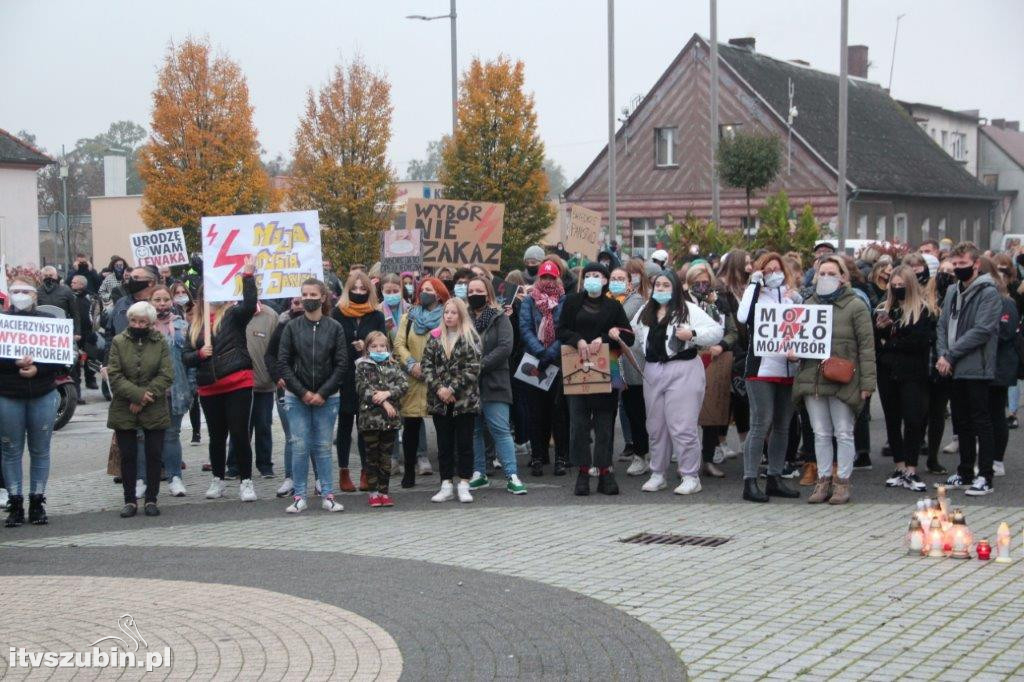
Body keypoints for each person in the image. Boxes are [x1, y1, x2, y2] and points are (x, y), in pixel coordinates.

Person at [793, 256, 877, 505]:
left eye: (832, 273)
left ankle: (842, 482)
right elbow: (798, 339)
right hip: (814, 378)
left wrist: (867, 384)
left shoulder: (856, 305)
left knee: (843, 432)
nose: (826, 277)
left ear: (843, 277)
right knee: (820, 433)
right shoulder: (808, 305)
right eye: (822, 273)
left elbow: (867, 347)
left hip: (843, 379)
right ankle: (823, 479)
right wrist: (793, 351)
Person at [633, 270, 722, 495]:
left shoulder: (688, 310)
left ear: (674, 288)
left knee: (682, 425)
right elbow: (632, 332)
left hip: (683, 369)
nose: (661, 290)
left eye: (666, 285)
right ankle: (658, 473)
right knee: (655, 425)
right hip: (653, 370)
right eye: (658, 286)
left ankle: (690, 475)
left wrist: (692, 334)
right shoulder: (646, 311)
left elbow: (716, 331)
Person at [182, 257, 259, 502]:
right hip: (209, 387)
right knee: (216, 436)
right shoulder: (196, 325)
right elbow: (185, 357)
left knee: (239, 433)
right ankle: (218, 479)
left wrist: (248, 276)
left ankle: (246, 481)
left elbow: (249, 304)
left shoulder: (234, 315)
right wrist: (198, 354)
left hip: (237, 382)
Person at [557, 262, 632, 496]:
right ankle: (582, 471)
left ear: (605, 280)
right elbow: (561, 330)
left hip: (606, 369)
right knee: (578, 424)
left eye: (596, 275)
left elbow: (628, 337)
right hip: (576, 369)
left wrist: (607, 337)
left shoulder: (613, 306)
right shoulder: (572, 302)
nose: (591, 279)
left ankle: (604, 472)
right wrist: (577, 339)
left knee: (604, 425)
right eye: (587, 275)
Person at [935, 243, 1002, 496]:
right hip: (952, 365)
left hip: (975, 366)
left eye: (963, 264)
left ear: (976, 264)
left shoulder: (989, 292)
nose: (957, 269)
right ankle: (964, 471)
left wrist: (950, 355)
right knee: (961, 421)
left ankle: (985, 475)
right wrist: (943, 354)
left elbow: (982, 330)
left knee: (981, 421)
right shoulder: (952, 290)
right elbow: (942, 324)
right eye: (955, 264)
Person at [736, 252, 802, 503]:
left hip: (787, 368)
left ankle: (775, 476)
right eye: (768, 270)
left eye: (777, 269)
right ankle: (750, 480)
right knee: (760, 423)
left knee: (783, 425)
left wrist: (797, 300)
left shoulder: (790, 298)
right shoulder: (755, 296)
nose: (773, 274)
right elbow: (743, 317)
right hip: (761, 368)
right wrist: (754, 283)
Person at [278, 279, 347, 513]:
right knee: (299, 446)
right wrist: (304, 392)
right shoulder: (291, 327)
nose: (308, 298)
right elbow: (284, 364)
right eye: (304, 294)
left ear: (323, 297)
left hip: (328, 398)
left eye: (313, 294)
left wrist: (323, 393)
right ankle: (299, 496)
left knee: (324, 447)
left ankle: (327, 493)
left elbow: (341, 364)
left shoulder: (334, 327)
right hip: (297, 397)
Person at [1, 276, 63, 527]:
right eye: (15, 290)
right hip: (8, 394)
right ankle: (15, 502)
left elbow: (61, 359)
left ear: (35, 295)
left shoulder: (50, 322)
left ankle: (37, 501)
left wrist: (39, 369)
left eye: (25, 290)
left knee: (40, 450)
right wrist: (13, 363)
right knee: (10, 450)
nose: (20, 295)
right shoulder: (2, 322)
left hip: (43, 392)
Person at [107, 301, 173, 518]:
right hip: (124, 406)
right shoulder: (118, 341)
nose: (137, 324)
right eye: (134, 320)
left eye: (142, 321)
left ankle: (152, 499)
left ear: (151, 323)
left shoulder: (160, 342)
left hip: (153, 406)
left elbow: (166, 374)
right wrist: (135, 395)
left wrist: (144, 397)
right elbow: (115, 375)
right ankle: (129, 500)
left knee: (154, 454)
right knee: (128, 455)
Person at [874, 266, 936, 493]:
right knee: (892, 419)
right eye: (894, 285)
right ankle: (899, 466)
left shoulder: (922, 310)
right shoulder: (884, 308)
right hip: (888, 373)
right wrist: (884, 333)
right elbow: (878, 343)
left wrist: (892, 336)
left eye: (902, 285)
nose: (897, 289)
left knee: (913, 419)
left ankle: (912, 467)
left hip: (913, 374)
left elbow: (919, 342)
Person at [466, 276, 528, 495]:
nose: (474, 294)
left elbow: (504, 348)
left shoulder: (500, 317)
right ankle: (479, 473)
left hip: (494, 382)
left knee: (500, 429)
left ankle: (512, 475)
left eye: (479, 290)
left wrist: (478, 366)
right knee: (475, 431)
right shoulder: (464, 318)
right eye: (471, 290)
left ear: (488, 293)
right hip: (469, 385)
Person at [421, 298, 482, 503]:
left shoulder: (470, 337)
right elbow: (426, 366)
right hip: (440, 401)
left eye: (453, 313)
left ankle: (464, 483)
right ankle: (446, 483)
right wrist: (440, 389)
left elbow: (472, 368)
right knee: (444, 445)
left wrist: (452, 388)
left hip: (464, 401)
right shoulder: (434, 337)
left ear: (461, 315)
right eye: (446, 312)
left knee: (465, 444)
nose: (449, 316)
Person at [332, 270, 386, 492]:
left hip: (368, 376)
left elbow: (383, 344)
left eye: (363, 288)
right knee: (344, 425)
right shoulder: (338, 313)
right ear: (347, 290)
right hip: (344, 377)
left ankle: (366, 471)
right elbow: (332, 344)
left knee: (365, 426)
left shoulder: (376, 315)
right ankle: (344, 472)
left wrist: (365, 349)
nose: (358, 292)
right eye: (354, 288)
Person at [395, 277, 450, 486]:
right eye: (422, 289)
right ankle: (409, 471)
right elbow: (399, 344)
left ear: (439, 294)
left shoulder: (447, 317)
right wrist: (411, 364)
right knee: (410, 428)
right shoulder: (409, 317)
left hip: (437, 380)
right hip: (413, 379)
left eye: (429, 289)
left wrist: (429, 370)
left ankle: (446, 474)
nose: (424, 293)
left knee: (443, 428)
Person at [685, 262, 738, 480]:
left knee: (712, 412)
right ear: (689, 282)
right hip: (688, 358)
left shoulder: (719, 301)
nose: (702, 285)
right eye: (697, 282)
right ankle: (687, 462)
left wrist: (722, 345)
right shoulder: (681, 303)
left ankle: (708, 459)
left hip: (714, 359)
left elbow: (733, 331)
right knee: (685, 413)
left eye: (705, 282)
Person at [519, 259, 570, 476]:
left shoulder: (565, 300)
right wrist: (539, 351)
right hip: (534, 361)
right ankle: (537, 456)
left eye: (552, 277)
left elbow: (565, 328)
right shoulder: (529, 301)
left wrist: (550, 353)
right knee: (535, 413)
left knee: (558, 413)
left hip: (557, 361)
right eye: (544, 277)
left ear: (557, 278)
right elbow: (525, 327)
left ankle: (561, 457)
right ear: (539, 278)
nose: (548, 280)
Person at [150, 286, 195, 497]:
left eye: (165, 299)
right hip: (148, 392)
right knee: (144, 436)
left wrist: (192, 387)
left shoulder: (182, 326)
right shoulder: (143, 325)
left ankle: (175, 477)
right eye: (157, 300)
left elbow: (190, 360)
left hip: (175, 390)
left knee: (171, 435)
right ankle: (143, 479)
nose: (161, 303)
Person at [226, 299, 279, 479]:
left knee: (264, 425)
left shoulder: (271, 315)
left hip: (264, 383)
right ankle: (233, 466)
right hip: (238, 384)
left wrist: (275, 375)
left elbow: (277, 348)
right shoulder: (232, 314)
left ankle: (265, 465)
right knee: (239, 427)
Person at [355, 331, 408, 507]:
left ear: (388, 347)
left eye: (382, 346)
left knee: (386, 458)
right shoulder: (362, 366)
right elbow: (364, 390)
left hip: (390, 422)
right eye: (374, 346)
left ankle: (384, 491)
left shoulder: (393, 365)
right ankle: (373, 491)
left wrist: (389, 392)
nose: (379, 349)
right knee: (372, 457)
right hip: (370, 420)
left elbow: (403, 385)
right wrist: (386, 402)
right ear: (367, 348)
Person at [265, 296, 308, 497]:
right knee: (292, 437)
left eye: (304, 298)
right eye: (295, 300)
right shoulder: (282, 325)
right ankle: (290, 478)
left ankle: (318, 480)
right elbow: (270, 355)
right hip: (287, 388)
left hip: (314, 388)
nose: (298, 303)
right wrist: (277, 376)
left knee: (316, 437)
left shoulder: (324, 324)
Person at [980, 258, 1019, 479]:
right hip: (983, 364)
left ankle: (997, 460)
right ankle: (986, 455)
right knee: (983, 413)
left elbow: (1005, 332)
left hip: (999, 366)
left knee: (995, 414)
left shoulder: (1006, 302)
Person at [612, 263, 650, 476]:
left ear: (629, 283)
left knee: (636, 410)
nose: (616, 283)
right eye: (613, 279)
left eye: (621, 279)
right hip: (614, 365)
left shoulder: (634, 301)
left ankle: (641, 454)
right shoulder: (609, 300)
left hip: (631, 366)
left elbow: (617, 321)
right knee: (623, 408)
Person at [924, 259, 957, 473]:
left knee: (937, 412)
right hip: (925, 362)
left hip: (944, 363)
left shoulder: (956, 296)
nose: (945, 275)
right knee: (918, 413)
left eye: (950, 271)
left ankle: (932, 457)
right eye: (942, 271)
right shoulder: (926, 297)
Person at [69, 274, 99, 396]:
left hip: (88, 332)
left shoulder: (91, 297)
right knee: (75, 359)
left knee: (91, 356)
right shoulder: (69, 296)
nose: (71, 284)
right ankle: (76, 387)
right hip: (74, 332)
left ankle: (90, 379)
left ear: (82, 284)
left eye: (74, 282)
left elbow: (97, 312)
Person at [36, 265, 81, 337]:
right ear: (42, 277)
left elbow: (74, 313)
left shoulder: (66, 291)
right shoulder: (37, 292)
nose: (48, 277)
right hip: (42, 330)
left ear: (56, 276)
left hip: (62, 329)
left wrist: (77, 332)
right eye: (45, 275)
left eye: (51, 275)